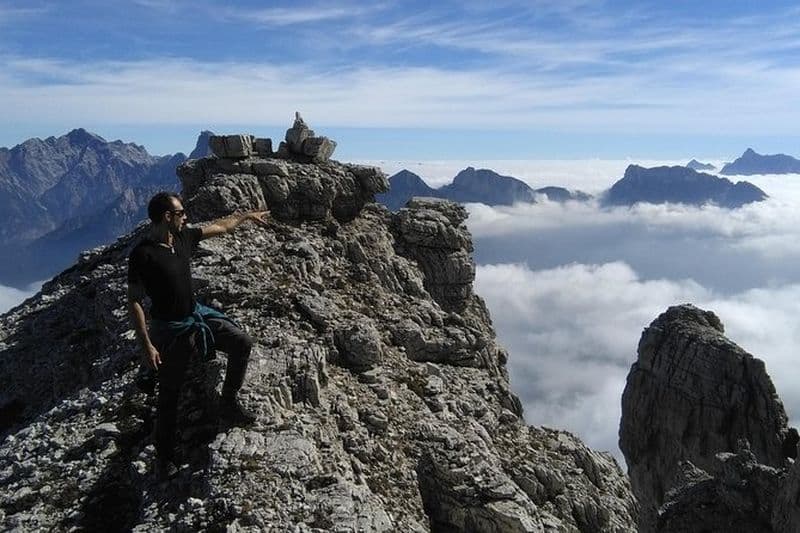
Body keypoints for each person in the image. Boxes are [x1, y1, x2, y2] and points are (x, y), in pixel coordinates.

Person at [127, 192, 269, 478]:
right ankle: (164, 457)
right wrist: (147, 345)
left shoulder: (183, 238)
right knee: (170, 394)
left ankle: (227, 402)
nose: (186, 217)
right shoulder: (143, 254)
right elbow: (134, 301)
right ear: (167, 216)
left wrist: (244, 216)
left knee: (241, 342)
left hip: (196, 317)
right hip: (171, 330)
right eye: (181, 213)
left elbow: (220, 227)